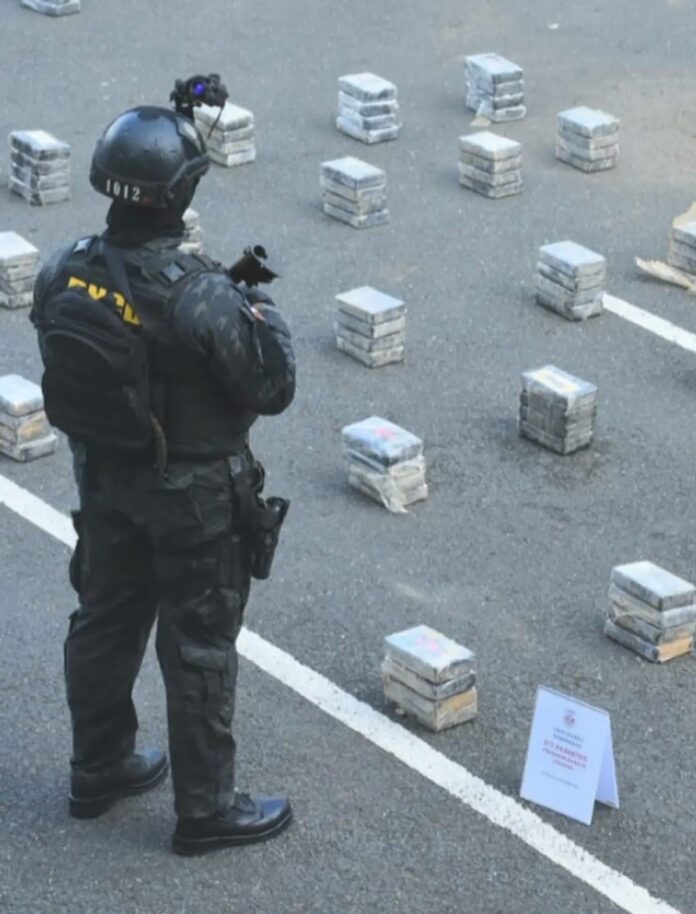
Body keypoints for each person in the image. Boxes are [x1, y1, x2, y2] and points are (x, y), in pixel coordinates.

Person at [29, 102, 296, 855]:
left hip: (105, 484)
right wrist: (258, 305)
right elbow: (273, 386)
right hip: (195, 501)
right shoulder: (204, 292)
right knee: (199, 644)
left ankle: (99, 768)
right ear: (181, 194)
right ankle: (206, 810)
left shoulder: (66, 267)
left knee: (104, 621)